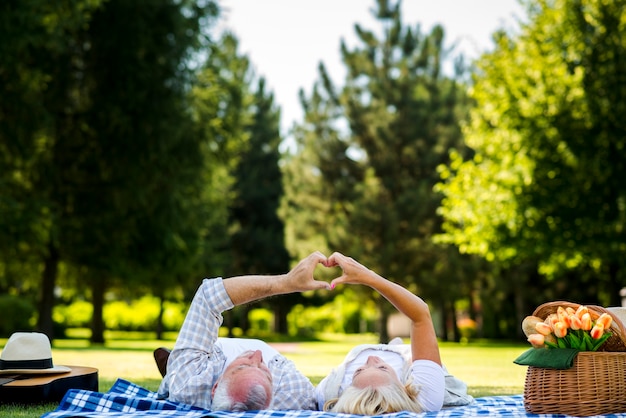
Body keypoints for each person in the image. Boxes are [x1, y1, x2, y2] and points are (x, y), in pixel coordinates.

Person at [157, 251, 331, 411]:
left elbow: (209, 296)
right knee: (179, 370)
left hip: (218, 353)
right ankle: (174, 362)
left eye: (242, 367)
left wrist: (285, 282)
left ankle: (172, 364)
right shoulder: (293, 394)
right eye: (265, 373)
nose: (257, 354)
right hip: (277, 365)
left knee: (176, 379)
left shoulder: (189, 385)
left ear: (216, 386)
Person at [316, 252, 449, 414]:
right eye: (382, 368)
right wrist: (367, 276)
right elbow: (420, 315)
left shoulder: (328, 394)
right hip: (404, 354)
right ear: (403, 387)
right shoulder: (425, 398)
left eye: (359, 370)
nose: (371, 359)